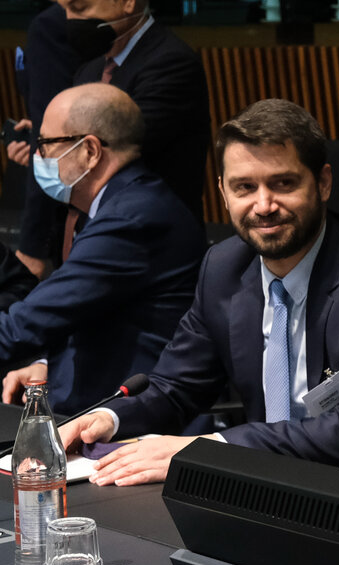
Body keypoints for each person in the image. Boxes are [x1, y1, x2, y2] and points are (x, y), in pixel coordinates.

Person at [59, 99, 339, 499]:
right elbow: (177, 386)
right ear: (223, 192)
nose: (263, 205)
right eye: (245, 187)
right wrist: (107, 419)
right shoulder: (223, 268)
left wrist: (213, 448)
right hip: (276, 489)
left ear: (323, 183)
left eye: (283, 184)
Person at [0, 83, 204, 415]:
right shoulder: (122, 204)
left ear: (90, 150)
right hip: (91, 398)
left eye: (45, 144)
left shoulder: (131, 219)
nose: (37, 156)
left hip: (127, 419)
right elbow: (83, 312)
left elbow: (25, 325)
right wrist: (45, 363)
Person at [13, 0, 210, 278]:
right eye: (65, 10)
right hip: (87, 246)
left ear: (128, 2)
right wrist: (48, 144)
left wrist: (54, 148)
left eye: (80, 8)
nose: (70, 21)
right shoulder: (91, 69)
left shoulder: (171, 63)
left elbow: (114, 150)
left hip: (144, 256)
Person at [4, 3, 83, 280]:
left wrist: (31, 246)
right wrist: (39, 131)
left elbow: (61, 131)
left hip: (76, 206)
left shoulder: (52, 25)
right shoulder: (43, 20)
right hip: (65, 201)